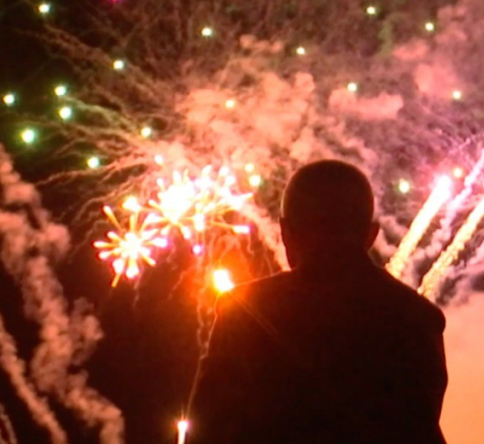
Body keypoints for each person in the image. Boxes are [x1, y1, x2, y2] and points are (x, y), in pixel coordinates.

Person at [188, 160, 448, 443]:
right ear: (371, 234)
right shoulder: (419, 318)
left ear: (286, 231)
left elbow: (205, 431)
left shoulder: (241, 311)